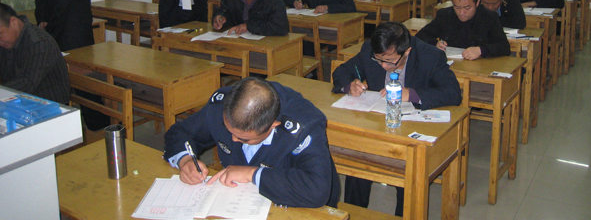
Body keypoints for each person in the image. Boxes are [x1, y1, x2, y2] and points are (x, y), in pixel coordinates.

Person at [332, 22, 461, 217]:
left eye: (390, 61)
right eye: (379, 60)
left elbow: (453, 93)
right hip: (377, 125)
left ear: (407, 51)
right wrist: (350, 85)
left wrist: (412, 94)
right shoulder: (369, 49)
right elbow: (342, 72)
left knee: (407, 175)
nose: (384, 66)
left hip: (411, 130)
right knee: (357, 164)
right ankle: (353, 214)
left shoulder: (430, 56)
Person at [163, 77, 340, 208]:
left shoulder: (303, 125)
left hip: (293, 204)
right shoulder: (224, 105)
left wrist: (252, 174)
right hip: (238, 201)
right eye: (228, 130)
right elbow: (180, 132)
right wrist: (185, 160)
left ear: (273, 125)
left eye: (244, 139)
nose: (233, 139)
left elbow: (317, 190)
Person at [416, 0, 510, 59]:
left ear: (477, 3)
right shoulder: (445, 15)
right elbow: (420, 36)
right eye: (457, 7)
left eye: (467, 8)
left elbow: (504, 47)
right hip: (450, 66)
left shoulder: (489, 18)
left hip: (479, 66)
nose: (461, 13)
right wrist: (434, 44)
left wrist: (481, 50)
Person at [0, 3, 70, 105]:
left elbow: (27, 83)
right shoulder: (7, 41)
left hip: (50, 106)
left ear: (14, 22)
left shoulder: (39, 42)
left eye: (0, 34)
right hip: (17, 102)